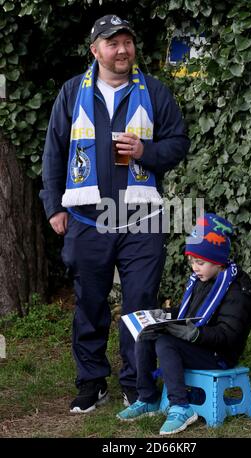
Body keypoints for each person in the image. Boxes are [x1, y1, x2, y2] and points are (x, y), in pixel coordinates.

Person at [39, 14, 190, 413]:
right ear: (95, 50)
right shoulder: (72, 92)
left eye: (127, 42)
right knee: (89, 303)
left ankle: (136, 384)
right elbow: (54, 152)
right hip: (88, 221)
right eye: (112, 43)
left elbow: (178, 143)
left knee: (140, 306)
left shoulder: (155, 91)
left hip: (144, 220)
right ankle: (92, 383)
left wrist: (146, 152)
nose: (122, 49)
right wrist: (54, 206)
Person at [116, 213, 251, 435]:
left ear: (218, 261)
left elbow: (228, 334)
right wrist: (161, 316)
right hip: (200, 343)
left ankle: (181, 407)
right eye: (192, 261)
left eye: (200, 262)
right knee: (147, 334)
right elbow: (190, 313)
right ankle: (147, 397)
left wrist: (195, 335)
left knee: (166, 343)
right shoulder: (202, 279)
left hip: (218, 354)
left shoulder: (237, 290)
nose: (195, 267)